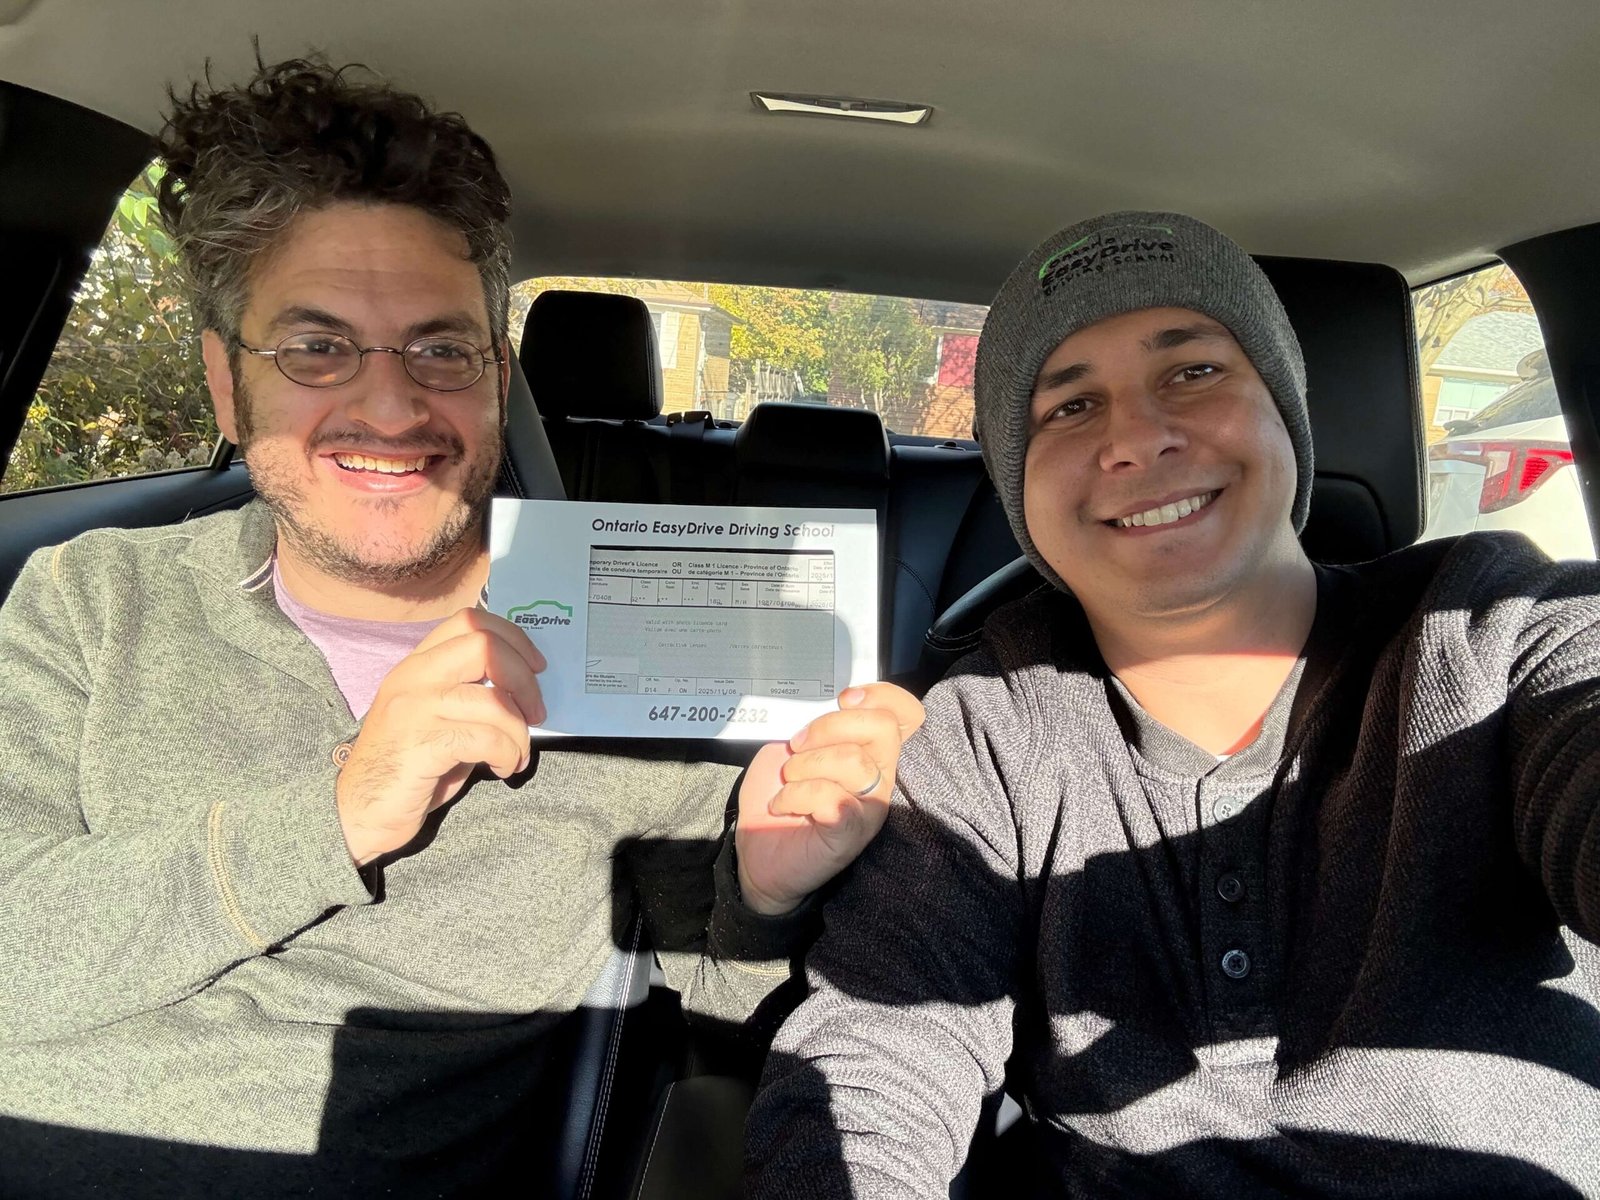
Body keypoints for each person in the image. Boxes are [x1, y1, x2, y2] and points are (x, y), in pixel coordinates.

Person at [0, 56, 921, 1195]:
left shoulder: (630, 648)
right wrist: (336, 814)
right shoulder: (89, 598)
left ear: (496, 378)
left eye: (441, 350)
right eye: (317, 348)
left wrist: (772, 892)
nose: (391, 407)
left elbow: (718, 1014)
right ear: (227, 383)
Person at [747, 211, 1600, 1197]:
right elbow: (878, 1057)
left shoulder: (1491, 629)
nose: (1137, 438)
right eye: (1070, 406)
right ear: (1017, 481)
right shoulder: (983, 731)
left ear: (1285, 406)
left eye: (1193, 371)